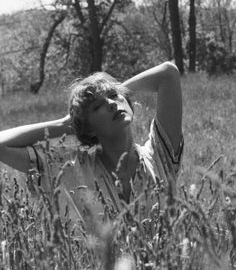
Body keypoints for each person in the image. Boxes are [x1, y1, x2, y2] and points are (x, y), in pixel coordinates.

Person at [0, 62, 183, 227]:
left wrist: (117, 91)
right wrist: (65, 124)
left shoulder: (159, 156)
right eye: (97, 106)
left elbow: (168, 73)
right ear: (88, 129)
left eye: (114, 96)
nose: (112, 103)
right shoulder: (71, 169)